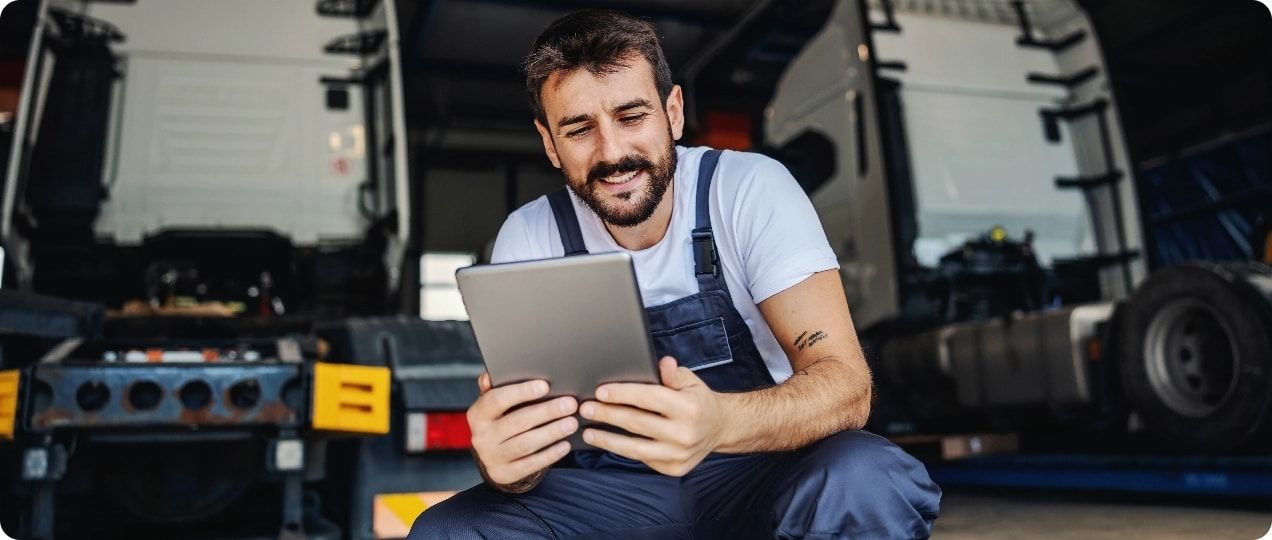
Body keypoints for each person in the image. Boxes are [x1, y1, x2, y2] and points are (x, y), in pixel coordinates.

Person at [411, 9, 940, 539]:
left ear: (674, 112)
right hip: (614, 497)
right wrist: (507, 467)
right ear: (549, 143)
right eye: (579, 129)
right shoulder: (529, 238)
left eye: (631, 116)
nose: (612, 152)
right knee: (451, 530)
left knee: (865, 479)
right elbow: (526, 458)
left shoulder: (748, 190)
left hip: (760, 471)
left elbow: (848, 386)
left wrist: (721, 423)